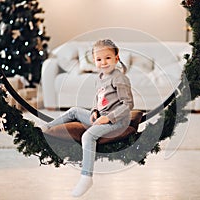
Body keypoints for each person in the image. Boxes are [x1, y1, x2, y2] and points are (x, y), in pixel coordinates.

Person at [40, 39, 134, 197]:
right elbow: (99, 99)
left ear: (116, 58)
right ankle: (47, 127)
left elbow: (128, 104)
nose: (103, 62)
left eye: (108, 58)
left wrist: (108, 118)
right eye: (99, 59)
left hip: (118, 121)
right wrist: (94, 111)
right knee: (73, 111)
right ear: (94, 60)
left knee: (88, 136)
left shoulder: (119, 78)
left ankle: (86, 176)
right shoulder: (99, 77)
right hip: (101, 116)